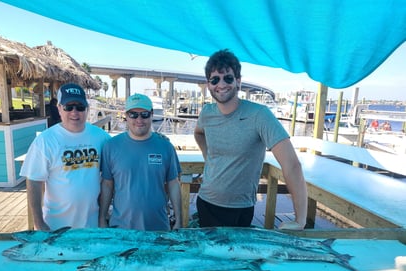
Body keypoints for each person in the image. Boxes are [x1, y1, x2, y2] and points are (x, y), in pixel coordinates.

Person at [194, 49, 308, 230]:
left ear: (238, 81)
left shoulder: (259, 115)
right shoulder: (207, 113)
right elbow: (198, 133)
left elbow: (292, 165)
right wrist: (208, 156)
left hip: (240, 208)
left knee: (238, 258)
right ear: (208, 85)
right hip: (206, 202)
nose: (221, 84)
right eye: (215, 79)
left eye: (228, 78)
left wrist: (300, 220)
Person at [20, 83, 111, 230]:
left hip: (92, 226)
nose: (75, 112)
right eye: (69, 107)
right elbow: (34, 181)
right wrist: (38, 222)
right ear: (59, 108)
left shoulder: (101, 137)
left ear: (87, 109)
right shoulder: (45, 140)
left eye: (80, 107)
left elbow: (113, 174)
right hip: (56, 227)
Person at [99, 93, 182, 231]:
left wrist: (179, 219)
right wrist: (102, 218)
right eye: (133, 114)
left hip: (159, 227)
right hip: (121, 228)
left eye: (144, 114)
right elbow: (107, 184)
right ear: (126, 115)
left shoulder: (166, 146)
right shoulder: (111, 146)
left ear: (152, 114)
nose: (139, 119)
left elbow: (173, 183)